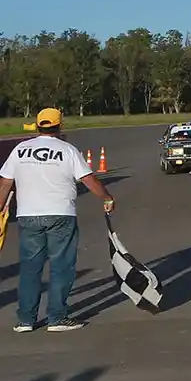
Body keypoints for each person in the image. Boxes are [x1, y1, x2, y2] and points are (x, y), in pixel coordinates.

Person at [0, 108, 115, 332]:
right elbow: (88, 179)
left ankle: (25, 320)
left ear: (37, 125)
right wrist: (107, 197)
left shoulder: (20, 150)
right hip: (60, 214)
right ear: (59, 125)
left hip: (28, 215)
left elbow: (5, 182)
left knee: (30, 268)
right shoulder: (67, 150)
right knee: (61, 266)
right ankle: (57, 317)